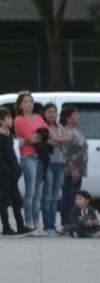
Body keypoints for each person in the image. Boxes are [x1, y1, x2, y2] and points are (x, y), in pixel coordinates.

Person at [13, 91, 45, 234]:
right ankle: (29, 222)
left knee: (38, 191)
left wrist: (38, 137)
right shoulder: (19, 120)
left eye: (31, 101)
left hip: (40, 156)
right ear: (20, 105)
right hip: (29, 157)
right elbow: (30, 138)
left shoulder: (38, 117)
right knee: (30, 191)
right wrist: (39, 137)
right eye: (26, 102)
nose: (29, 104)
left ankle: (37, 222)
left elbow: (48, 132)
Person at [39, 102, 72, 236]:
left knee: (55, 196)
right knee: (47, 196)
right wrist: (58, 140)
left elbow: (68, 137)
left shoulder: (58, 126)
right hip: (49, 163)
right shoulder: (42, 126)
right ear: (44, 113)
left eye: (54, 111)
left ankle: (53, 225)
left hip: (60, 163)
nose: (52, 114)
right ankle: (47, 226)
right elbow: (47, 141)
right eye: (49, 112)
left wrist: (55, 138)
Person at [59, 105, 88, 235]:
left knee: (75, 197)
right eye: (75, 115)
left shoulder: (76, 131)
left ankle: (74, 222)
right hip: (70, 170)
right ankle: (66, 223)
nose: (78, 117)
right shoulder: (66, 132)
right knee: (68, 197)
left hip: (79, 170)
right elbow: (66, 153)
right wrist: (72, 169)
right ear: (68, 118)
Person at [0, 107, 24, 234]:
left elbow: (12, 155)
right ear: (1, 121)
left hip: (12, 174)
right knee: (3, 201)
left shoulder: (8, 135)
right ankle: (6, 227)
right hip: (4, 175)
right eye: (8, 118)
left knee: (17, 200)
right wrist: (9, 172)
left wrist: (17, 169)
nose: (12, 120)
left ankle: (20, 226)